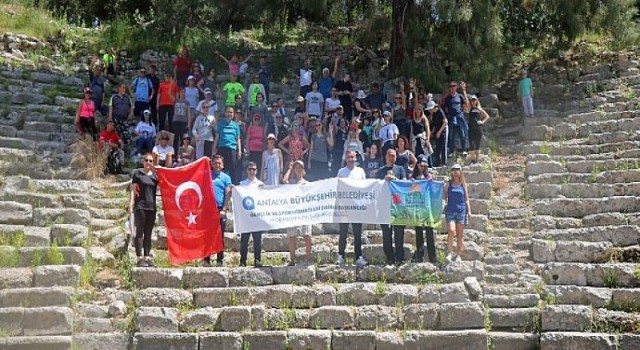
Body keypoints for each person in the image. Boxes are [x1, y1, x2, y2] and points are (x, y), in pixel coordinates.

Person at [336, 150, 368, 267]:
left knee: (357, 233)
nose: (350, 159)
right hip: (344, 206)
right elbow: (338, 187)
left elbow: (365, 187)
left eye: (352, 157)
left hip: (357, 207)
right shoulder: (341, 172)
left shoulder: (360, 171)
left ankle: (358, 257)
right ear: (345, 158)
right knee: (343, 233)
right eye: (348, 157)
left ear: (355, 158)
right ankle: (340, 256)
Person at [376, 148, 407, 265]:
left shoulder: (400, 169)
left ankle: (400, 257)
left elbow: (405, 184)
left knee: (399, 233)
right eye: (390, 155)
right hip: (384, 206)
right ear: (386, 156)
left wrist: (395, 180)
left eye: (394, 155)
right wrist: (383, 181)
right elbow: (375, 187)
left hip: (398, 206)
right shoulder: (380, 171)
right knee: (386, 234)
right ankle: (389, 258)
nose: (392, 157)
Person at [129, 153, 159, 267]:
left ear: (153, 163)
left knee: (148, 233)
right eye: (146, 160)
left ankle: (147, 257)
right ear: (143, 161)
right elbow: (132, 190)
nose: (148, 163)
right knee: (139, 232)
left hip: (151, 208)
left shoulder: (155, 177)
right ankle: (139, 258)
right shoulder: (138, 174)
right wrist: (131, 203)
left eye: (151, 161)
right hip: (140, 206)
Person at [204, 155, 232, 267]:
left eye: (219, 163)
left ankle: (220, 260)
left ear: (223, 164)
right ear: (212, 164)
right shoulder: (207, 175)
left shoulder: (226, 178)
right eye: (215, 163)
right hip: (208, 209)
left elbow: (228, 194)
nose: (217, 165)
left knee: (220, 236)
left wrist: (224, 209)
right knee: (208, 236)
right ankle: (206, 260)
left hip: (220, 209)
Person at [283, 160, 312, 265]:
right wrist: (290, 168)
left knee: (307, 235)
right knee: (292, 236)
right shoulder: (291, 183)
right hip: (293, 212)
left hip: (305, 211)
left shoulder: (308, 183)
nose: (298, 169)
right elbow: (284, 181)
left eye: (300, 167)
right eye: (296, 167)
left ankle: (308, 257)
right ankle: (292, 259)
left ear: (303, 169)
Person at [443, 163, 471, 262]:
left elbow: (466, 199)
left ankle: (458, 255)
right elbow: (443, 195)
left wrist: (469, 211)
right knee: (451, 230)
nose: (455, 172)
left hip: (461, 211)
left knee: (460, 234)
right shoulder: (449, 184)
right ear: (452, 172)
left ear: (460, 172)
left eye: (457, 170)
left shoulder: (463, 185)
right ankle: (450, 253)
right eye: (454, 170)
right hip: (450, 210)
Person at [238, 162, 264, 267]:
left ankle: (257, 260)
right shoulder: (241, 184)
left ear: (256, 171)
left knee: (257, 240)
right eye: (250, 169)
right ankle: (242, 261)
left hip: (257, 216)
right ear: (246, 171)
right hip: (246, 216)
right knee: (244, 240)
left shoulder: (261, 184)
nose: (252, 171)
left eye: (254, 169)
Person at [412, 155, 436, 263]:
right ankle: (420, 256)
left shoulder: (429, 177)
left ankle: (432, 257)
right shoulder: (412, 177)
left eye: (425, 166)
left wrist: (431, 180)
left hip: (427, 208)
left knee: (430, 232)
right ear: (417, 165)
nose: (423, 168)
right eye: (421, 165)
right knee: (418, 233)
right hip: (417, 208)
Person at [213, 107, 242, 184]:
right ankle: (219, 183)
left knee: (233, 168)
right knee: (220, 167)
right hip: (222, 148)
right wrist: (213, 150)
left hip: (232, 149)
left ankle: (233, 185)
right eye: (228, 112)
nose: (229, 114)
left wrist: (239, 151)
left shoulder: (236, 125)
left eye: (231, 112)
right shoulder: (221, 124)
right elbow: (217, 138)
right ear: (225, 113)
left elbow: (238, 139)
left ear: (233, 114)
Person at [443, 80, 470, 158]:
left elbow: (466, 104)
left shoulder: (460, 96)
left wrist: (464, 90)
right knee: (451, 135)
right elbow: (445, 107)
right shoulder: (447, 98)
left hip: (459, 116)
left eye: (454, 86)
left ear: (456, 87)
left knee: (462, 133)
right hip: (451, 117)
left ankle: (464, 149)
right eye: (450, 86)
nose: (452, 88)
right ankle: (451, 151)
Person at [107, 83, 132, 149]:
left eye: (125, 88)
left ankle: (125, 150)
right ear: (119, 88)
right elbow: (111, 108)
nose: (124, 89)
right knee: (115, 135)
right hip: (116, 119)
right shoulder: (114, 97)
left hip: (124, 119)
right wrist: (110, 119)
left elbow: (131, 106)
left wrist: (130, 114)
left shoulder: (127, 97)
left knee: (126, 134)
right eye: (123, 88)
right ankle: (114, 149)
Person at [468, 95, 490, 164]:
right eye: (472, 100)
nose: (473, 101)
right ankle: (472, 160)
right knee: (471, 144)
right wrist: (464, 91)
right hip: (471, 128)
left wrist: (482, 122)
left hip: (478, 128)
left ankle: (477, 160)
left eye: (474, 100)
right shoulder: (470, 109)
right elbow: (466, 104)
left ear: (477, 100)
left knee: (477, 144)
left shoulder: (479, 109)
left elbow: (487, 116)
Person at [427, 100, 448, 167]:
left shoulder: (440, 111)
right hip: (437, 131)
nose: (430, 111)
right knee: (437, 147)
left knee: (443, 146)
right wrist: (430, 133)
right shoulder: (433, 114)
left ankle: (444, 163)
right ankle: (438, 162)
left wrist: (439, 132)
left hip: (443, 130)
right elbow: (435, 125)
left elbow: (445, 122)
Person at [246, 113, 265, 178]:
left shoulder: (262, 128)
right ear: (253, 119)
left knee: (259, 166)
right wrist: (248, 150)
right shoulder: (250, 128)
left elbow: (264, 139)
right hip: (252, 150)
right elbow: (247, 139)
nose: (256, 120)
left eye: (258, 119)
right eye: (255, 119)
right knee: (252, 166)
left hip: (260, 150)